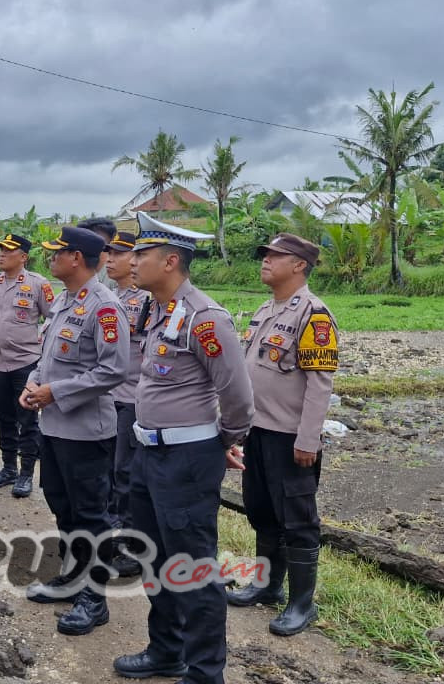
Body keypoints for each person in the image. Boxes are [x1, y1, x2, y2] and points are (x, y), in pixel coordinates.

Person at [113, 212, 253, 684]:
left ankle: (205, 672)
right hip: (149, 454)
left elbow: (238, 398)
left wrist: (221, 443)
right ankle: (166, 650)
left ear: (171, 261)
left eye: (142, 254)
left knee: (192, 568)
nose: (133, 261)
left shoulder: (205, 319)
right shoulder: (157, 310)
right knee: (155, 558)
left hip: (186, 462)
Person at [20, 226, 129, 636]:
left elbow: (113, 370)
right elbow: (48, 357)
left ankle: (94, 600)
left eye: (57, 252)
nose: (51, 258)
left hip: (86, 432)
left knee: (90, 515)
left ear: (77, 258)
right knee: (62, 506)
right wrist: (33, 383)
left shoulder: (105, 307)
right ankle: (72, 577)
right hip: (54, 427)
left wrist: (55, 391)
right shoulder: (64, 300)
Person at [227, 233, 338, 637]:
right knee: (261, 512)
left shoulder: (314, 314)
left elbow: (320, 384)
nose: (266, 261)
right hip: (257, 432)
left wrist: (308, 439)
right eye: (265, 255)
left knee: (298, 521)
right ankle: (266, 585)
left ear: (299, 265)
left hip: (289, 438)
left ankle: (301, 604)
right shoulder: (265, 310)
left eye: (275, 256)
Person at [0, 233, 54, 498]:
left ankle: (26, 474)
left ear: (23, 257)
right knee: (4, 418)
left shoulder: (38, 284)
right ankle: (9, 468)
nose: (1, 254)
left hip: (26, 363)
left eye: (8, 250)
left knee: (28, 420)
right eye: (0, 249)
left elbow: (52, 318)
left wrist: (41, 343)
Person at [104, 230, 149, 578]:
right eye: (108, 252)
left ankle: (133, 547)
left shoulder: (146, 299)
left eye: (118, 253)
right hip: (108, 396)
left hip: (133, 398)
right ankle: (115, 534)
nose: (110, 259)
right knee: (110, 471)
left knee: (127, 473)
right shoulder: (108, 296)